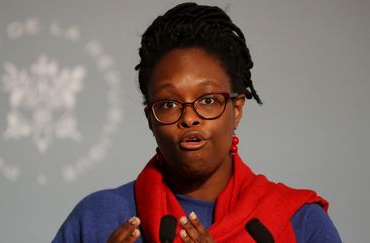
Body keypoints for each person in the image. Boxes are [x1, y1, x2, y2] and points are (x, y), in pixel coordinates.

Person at [52, 2, 342, 242]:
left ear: (237, 108)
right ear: (150, 118)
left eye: (207, 100)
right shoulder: (95, 220)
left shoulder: (300, 221)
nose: (189, 117)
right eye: (168, 104)